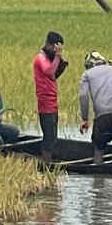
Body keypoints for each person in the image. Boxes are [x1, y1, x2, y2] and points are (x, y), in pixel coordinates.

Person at [78, 51, 112, 164]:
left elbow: (83, 97)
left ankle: (98, 175)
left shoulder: (87, 75)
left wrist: (85, 119)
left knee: (97, 146)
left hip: (102, 119)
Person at [33, 31, 68, 163]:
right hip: (45, 101)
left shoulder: (49, 59)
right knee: (49, 136)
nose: (55, 51)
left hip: (52, 100)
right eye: (54, 47)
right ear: (48, 44)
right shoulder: (41, 58)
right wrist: (58, 57)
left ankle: (49, 161)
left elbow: (53, 75)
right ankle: (46, 164)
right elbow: (49, 72)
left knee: (53, 136)